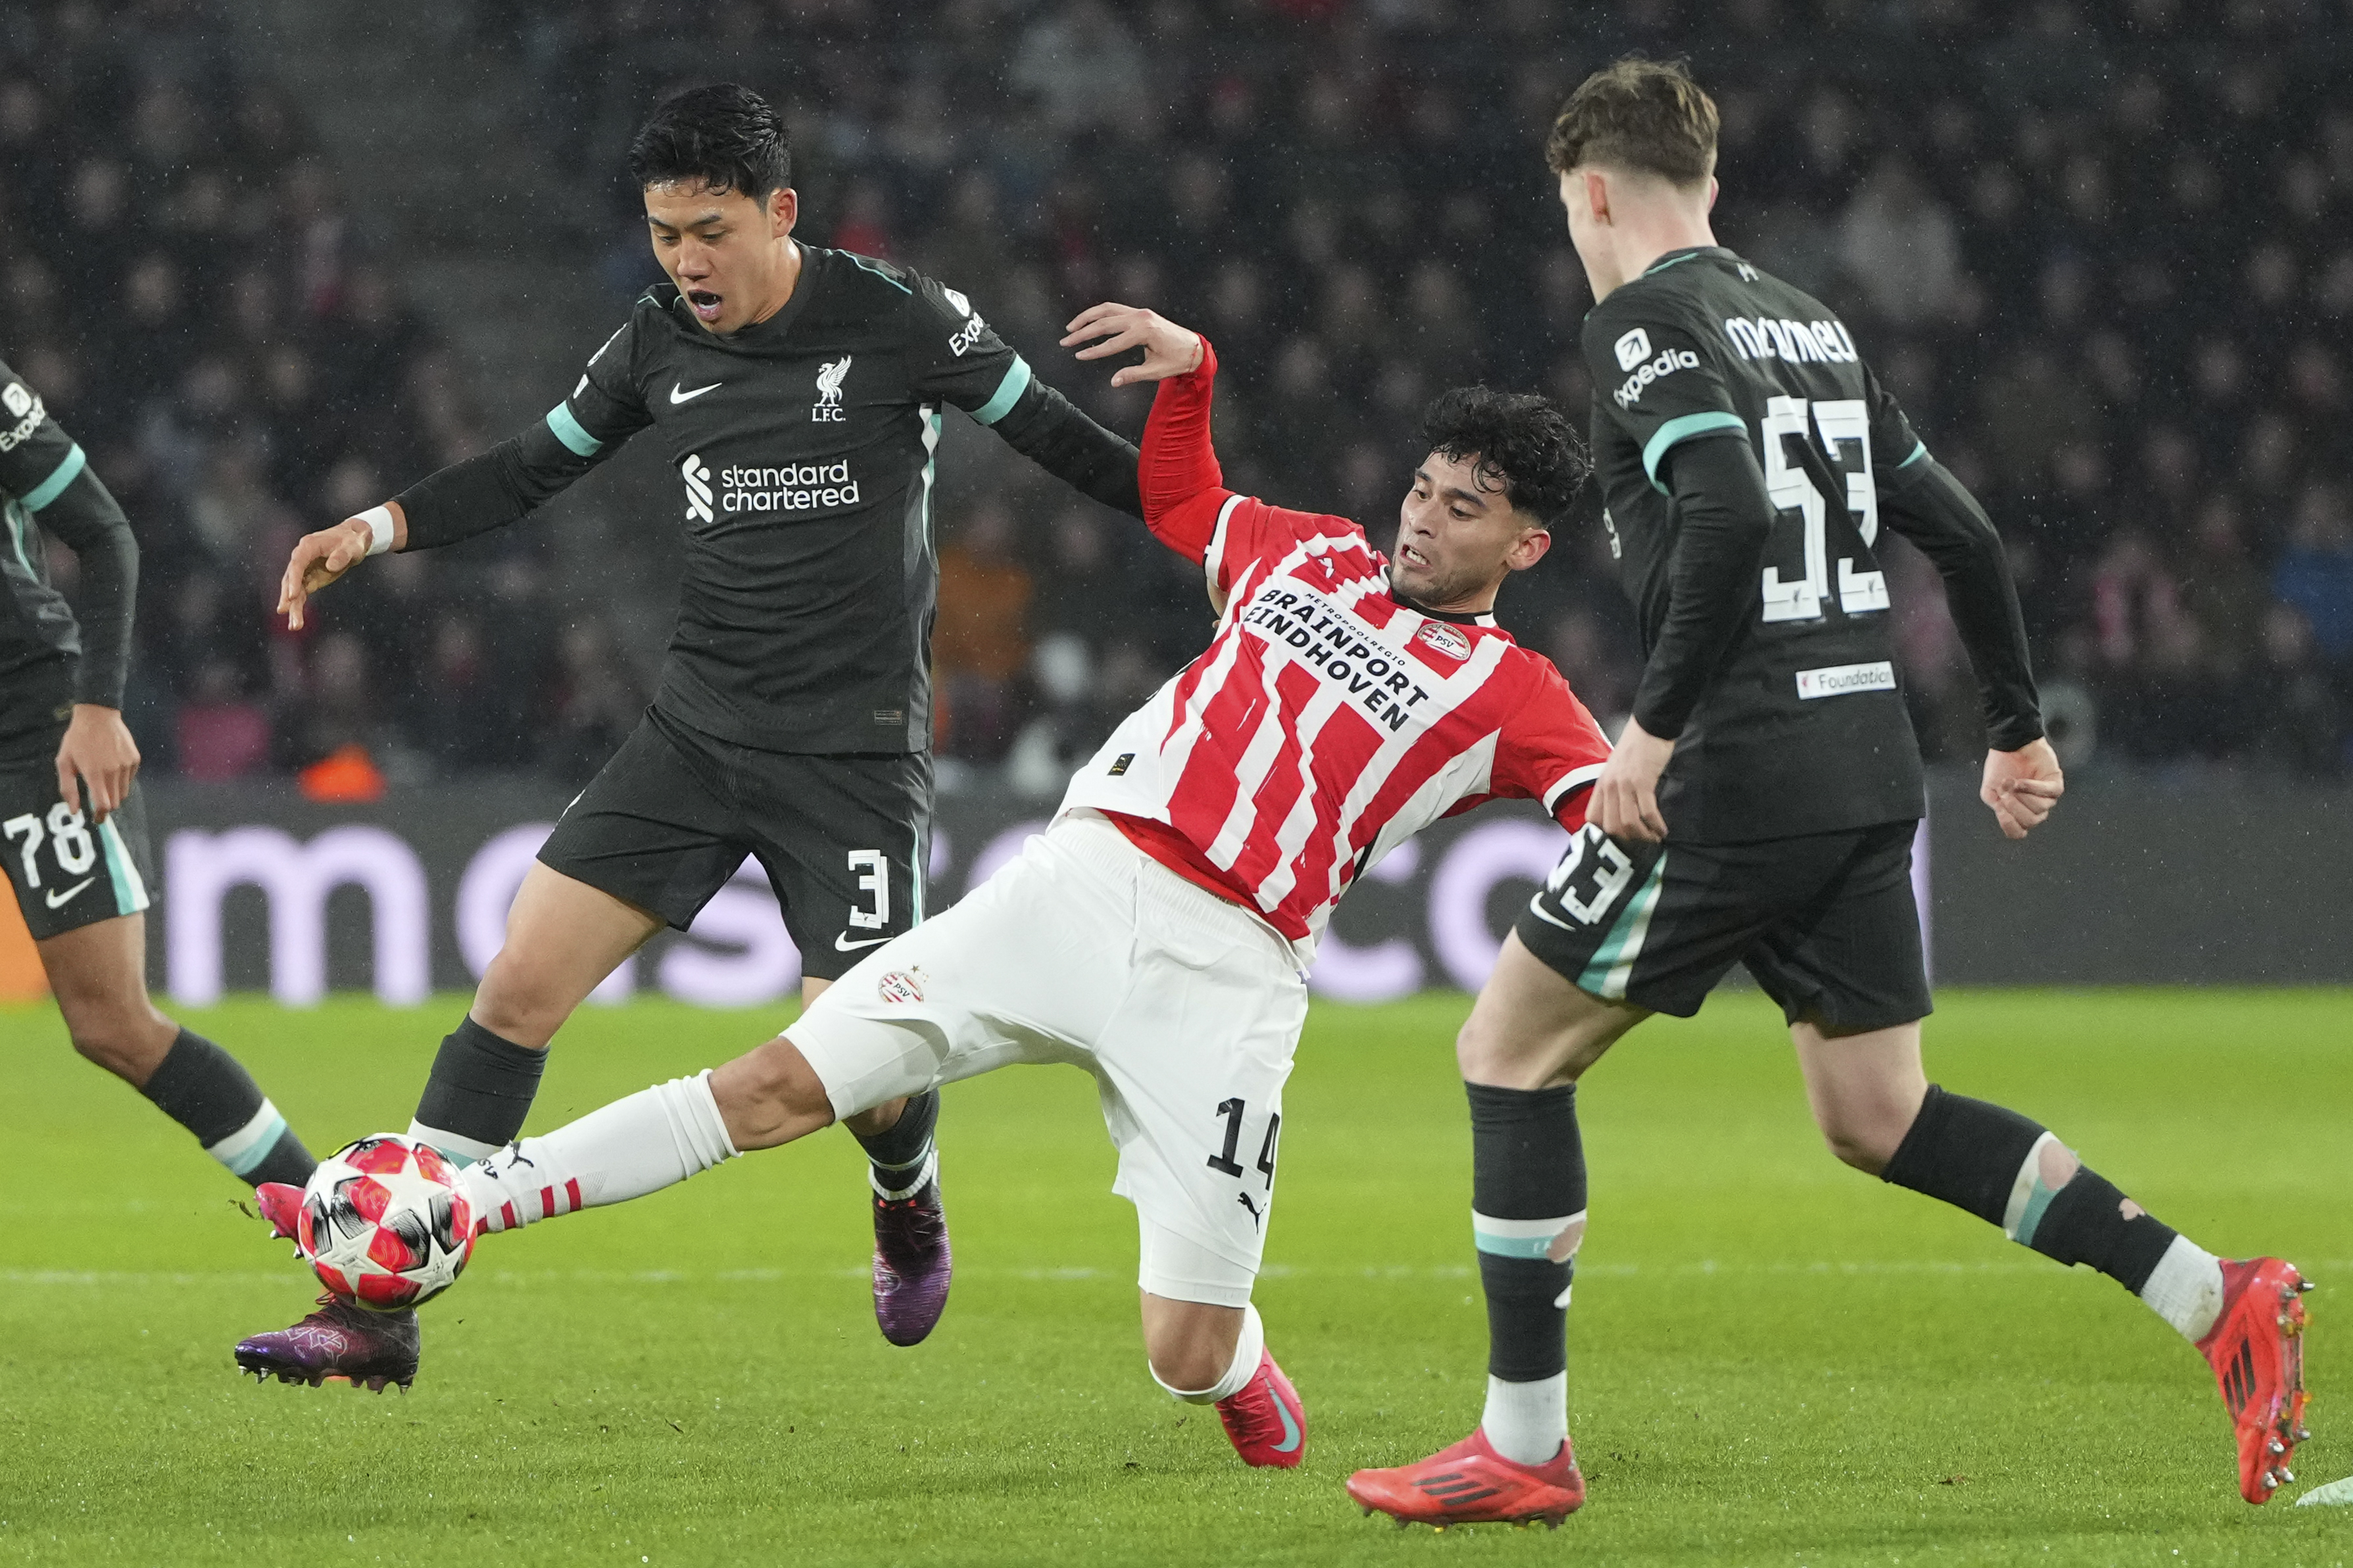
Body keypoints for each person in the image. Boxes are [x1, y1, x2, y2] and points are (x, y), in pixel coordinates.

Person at [242, 302, 1611, 1469]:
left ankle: (1235, 1367)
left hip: (1233, 972)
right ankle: (455, 1206)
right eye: (1425, 489)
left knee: (1183, 1352)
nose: (1421, 521)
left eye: (1464, 509)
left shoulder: (1518, 696)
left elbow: (1611, 811)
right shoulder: (1305, 552)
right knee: (780, 1080)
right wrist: (1192, 379)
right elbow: (1179, 500)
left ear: (1526, 546)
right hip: (1072, 884)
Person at [1346, 59, 2310, 1529]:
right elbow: (1965, 531)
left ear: (1591, 191)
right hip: (1865, 766)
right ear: (1710, 184)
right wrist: (2011, 725)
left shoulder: (1643, 322)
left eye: (1567, 209)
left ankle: (1521, 1444)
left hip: (1730, 773)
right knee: (1877, 1113)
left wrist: (1652, 736)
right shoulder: (1807, 321)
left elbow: (1726, 510)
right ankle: (2213, 1295)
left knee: (1508, 1048)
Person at [234, 84, 1145, 1390]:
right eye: (664, 234)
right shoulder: (655, 340)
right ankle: (376, 1313)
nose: (685, 262)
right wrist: (374, 528)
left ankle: (906, 1180)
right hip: (697, 731)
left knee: (859, 1070)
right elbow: (531, 465)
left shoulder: (904, 320)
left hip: (851, 762)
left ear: (780, 212)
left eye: (708, 231)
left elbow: (1067, 444)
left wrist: (1228, 531)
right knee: (517, 989)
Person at [0, 356, 320, 1197]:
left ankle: (340, 1226)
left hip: (29, 725)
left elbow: (103, 531)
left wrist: (97, 709)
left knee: (111, 1025)